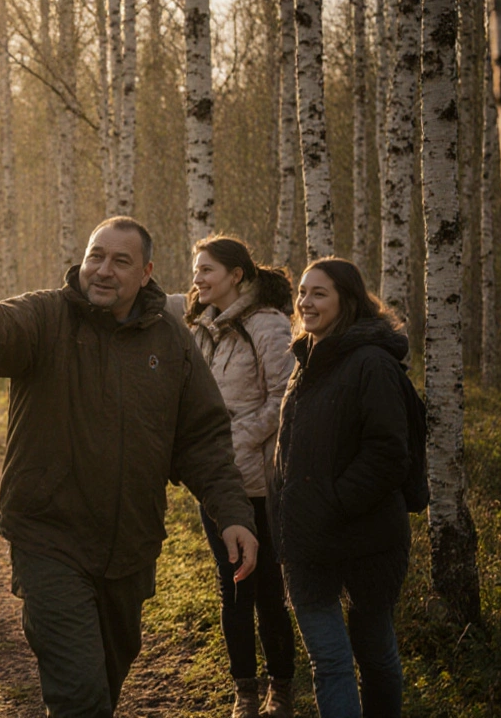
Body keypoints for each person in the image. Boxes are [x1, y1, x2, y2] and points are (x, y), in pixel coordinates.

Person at [0, 216, 259, 718]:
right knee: (80, 697)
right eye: (95, 256)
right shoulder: (46, 316)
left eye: (120, 261)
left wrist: (233, 513)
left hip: (130, 549)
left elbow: (202, 439)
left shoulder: (170, 342)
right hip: (50, 542)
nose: (103, 271)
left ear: (147, 272)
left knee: (104, 685)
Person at [272, 257, 414, 718]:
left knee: (375, 656)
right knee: (330, 661)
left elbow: (389, 452)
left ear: (347, 301)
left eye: (319, 293)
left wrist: (333, 504)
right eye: (303, 292)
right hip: (308, 543)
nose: (305, 302)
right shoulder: (307, 357)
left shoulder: (372, 363)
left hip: (367, 539)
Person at [172, 236, 297, 718]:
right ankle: (245, 690)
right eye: (196, 270)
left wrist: (232, 439)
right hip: (215, 484)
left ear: (236, 275)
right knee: (232, 588)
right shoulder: (199, 329)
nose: (198, 279)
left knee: (268, 589)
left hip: (261, 483)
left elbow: (283, 398)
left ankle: (281, 689)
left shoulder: (268, 325)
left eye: (207, 270)